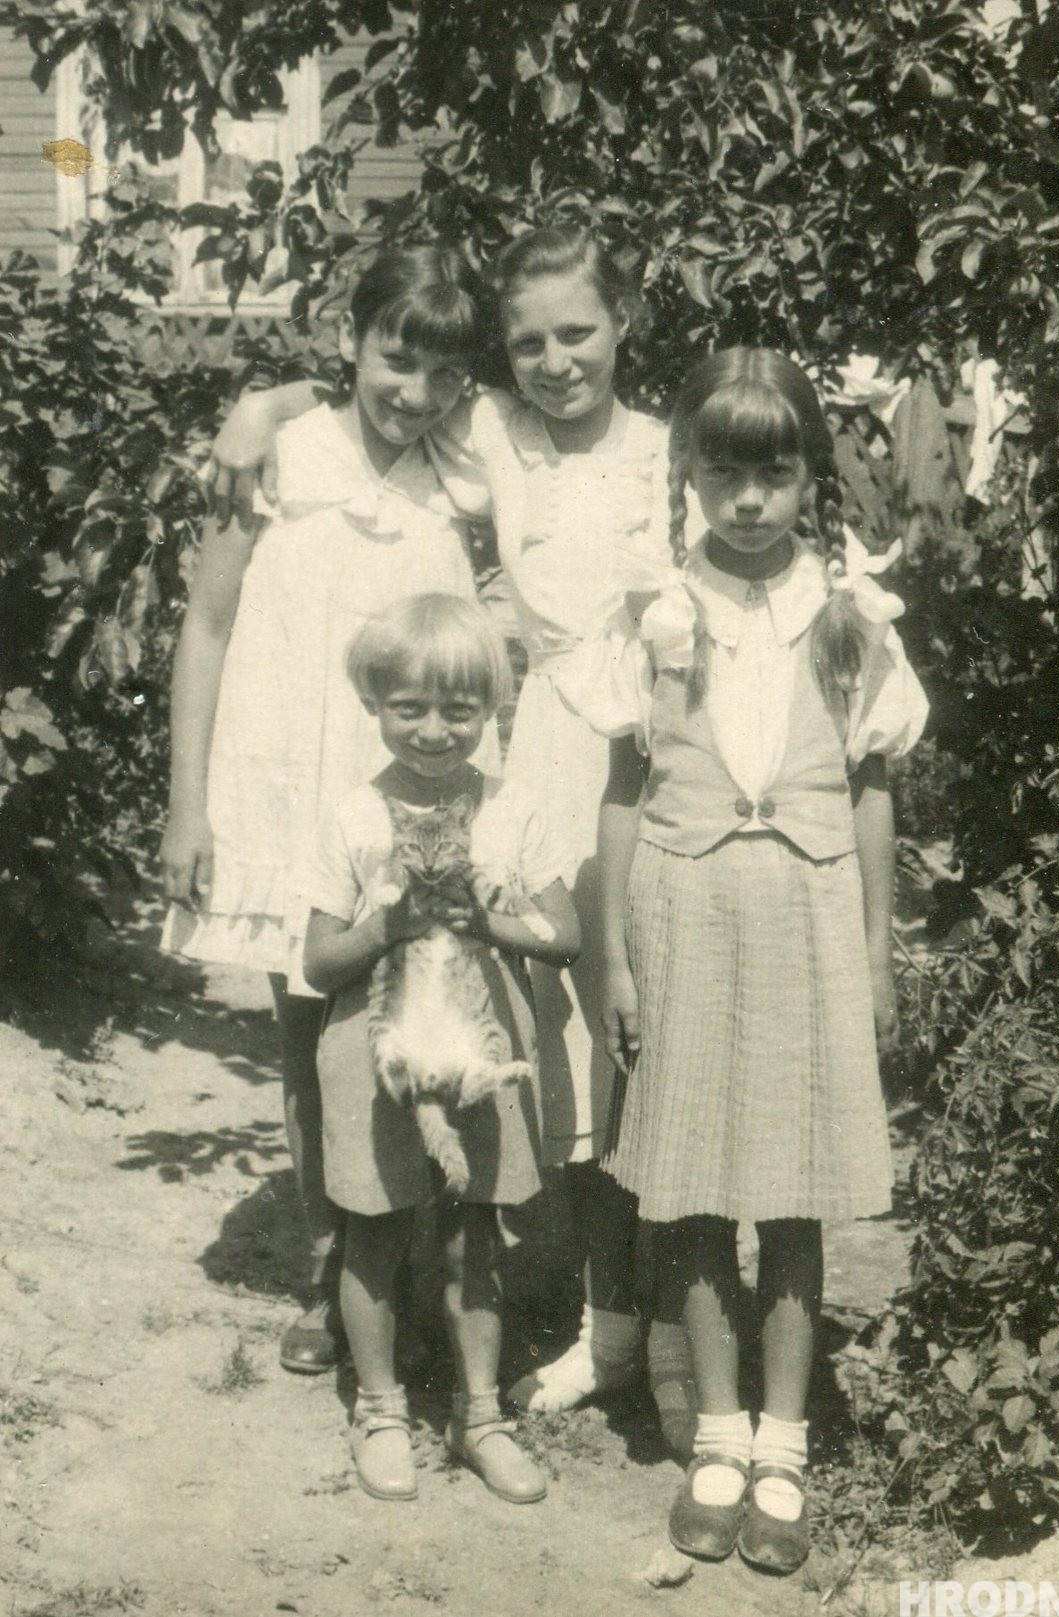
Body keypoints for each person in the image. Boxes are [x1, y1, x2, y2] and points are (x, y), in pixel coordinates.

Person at [208, 225, 697, 1447]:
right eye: (525, 341)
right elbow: (359, 379)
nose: (550, 359)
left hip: (578, 757)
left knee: (586, 1012)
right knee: (415, 1020)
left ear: (624, 319)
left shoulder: (587, 451)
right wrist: (255, 402)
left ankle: (627, 1301)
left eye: (574, 332)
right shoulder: (417, 440)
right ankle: (409, 1275)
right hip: (418, 757)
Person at [558, 348, 929, 1575]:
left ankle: (784, 1446)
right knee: (700, 1192)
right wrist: (611, 959)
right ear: (690, 477)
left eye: (775, 474)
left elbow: (873, 796)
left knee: (796, 1189)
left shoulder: (844, 612)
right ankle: (715, 1440)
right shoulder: (657, 616)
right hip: (686, 910)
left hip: (813, 915)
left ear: (807, 476)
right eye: (726, 474)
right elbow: (620, 797)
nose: (751, 500)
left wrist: (877, 959)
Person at [161, 244, 497, 1375]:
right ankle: (328, 1269)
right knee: (311, 1047)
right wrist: (184, 811)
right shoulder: (276, 461)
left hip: (404, 792)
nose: (414, 394)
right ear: (352, 341)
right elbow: (204, 630)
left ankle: (422, 1280)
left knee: (423, 1026)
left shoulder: (453, 474)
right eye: (394, 362)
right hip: (279, 794)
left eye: (441, 377)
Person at [302, 593, 579, 1504]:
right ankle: (381, 1408)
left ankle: (478, 1415)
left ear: (494, 710)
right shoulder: (351, 814)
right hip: (377, 1049)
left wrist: (489, 919)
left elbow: (564, 933)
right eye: (409, 707)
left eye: (459, 710)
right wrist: (387, 926)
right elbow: (316, 957)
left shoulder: (514, 807)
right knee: (374, 1230)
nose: (433, 730)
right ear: (375, 703)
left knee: (475, 1242)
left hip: (478, 1046)